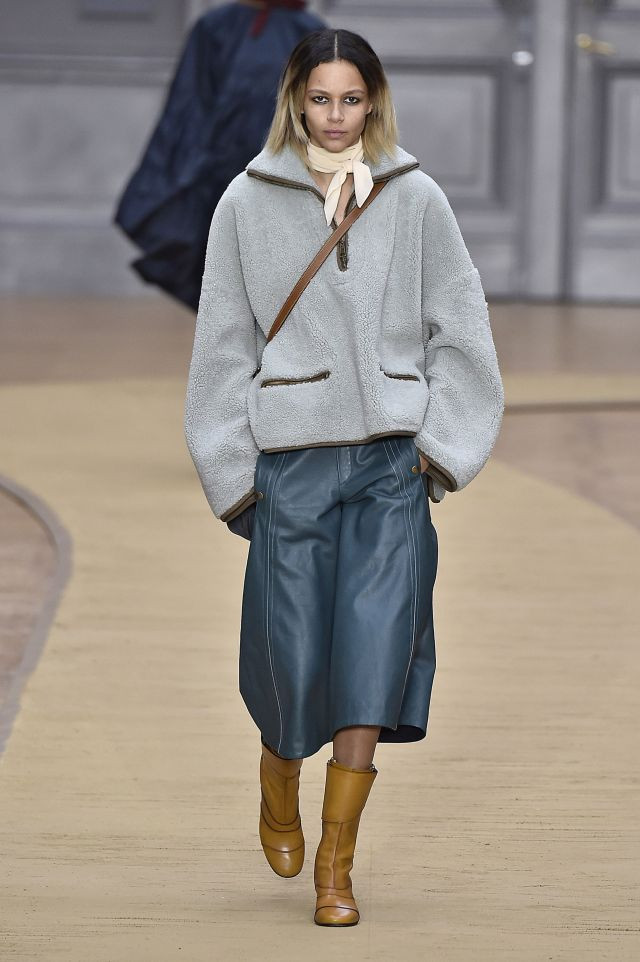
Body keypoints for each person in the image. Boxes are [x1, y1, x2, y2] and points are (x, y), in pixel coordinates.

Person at [184, 28, 504, 927]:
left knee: (375, 651)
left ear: (375, 101)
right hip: (291, 461)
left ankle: (337, 863)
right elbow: (222, 344)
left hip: (390, 463)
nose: (334, 117)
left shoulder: (416, 198)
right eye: (319, 99)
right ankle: (278, 771)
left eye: (351, 99)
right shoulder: (245, 202)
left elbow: (462, 325)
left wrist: (439, 449)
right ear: (295, 100)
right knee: (288, 660)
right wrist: (232, 471)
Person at [113, 0, 325, 311]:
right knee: (223, 269)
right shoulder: (216, 27)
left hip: (285, 173)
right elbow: (188, 105)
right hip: (219, 172)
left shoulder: (311, 33)